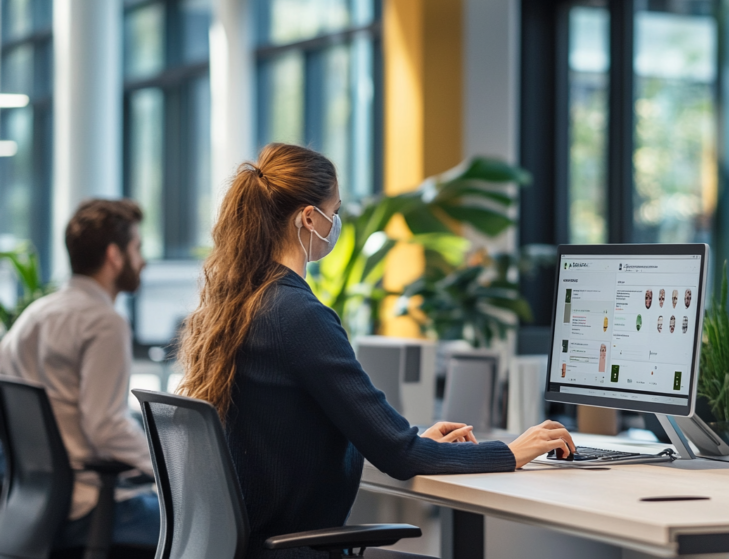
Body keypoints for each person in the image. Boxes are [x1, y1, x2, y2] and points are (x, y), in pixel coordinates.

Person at [175, 144, 575, 558]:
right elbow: (399, 457)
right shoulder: (297, 316)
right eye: (335, 210)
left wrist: (418, 441)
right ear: (309, 218)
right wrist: (511, 451)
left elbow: (310, 433)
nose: (336, 222)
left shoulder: (240, 305)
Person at [0, 199, 159, 550]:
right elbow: (105, 427)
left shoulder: (35, 314)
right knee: (209, 528)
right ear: (114, 256)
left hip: (35, 508)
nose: (142, 260)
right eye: (137, 248)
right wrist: (172, 466)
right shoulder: (105, 323)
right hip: (90, 508)